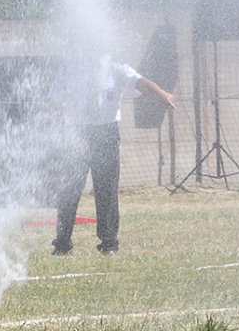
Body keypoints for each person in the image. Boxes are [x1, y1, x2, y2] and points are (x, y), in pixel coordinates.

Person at [49, 54, 177, 255]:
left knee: (106, 190)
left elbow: (138, 81)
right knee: (69, 190)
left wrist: (161, 93)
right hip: (75, 133)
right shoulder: (69, 65)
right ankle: (62, 245)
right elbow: (54, 99)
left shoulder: (115, 66)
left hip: (106, 133)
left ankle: (109, 244)